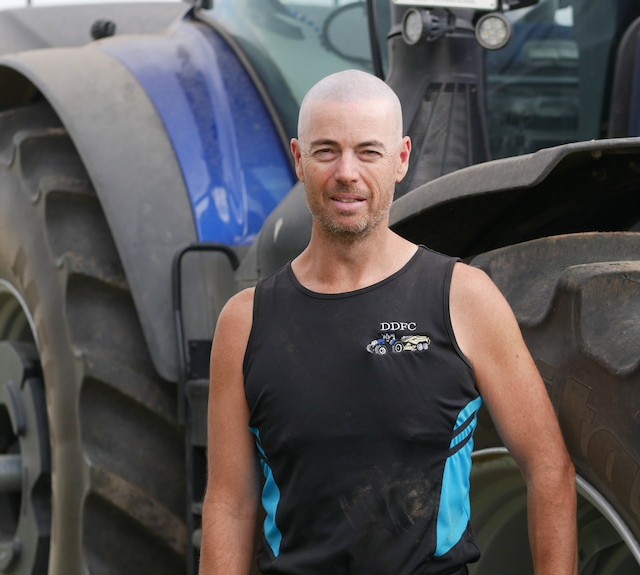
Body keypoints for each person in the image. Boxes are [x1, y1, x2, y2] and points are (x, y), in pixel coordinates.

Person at [200, 69, 577, 575]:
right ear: (298, 159)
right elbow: (230, 504)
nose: (347, 173)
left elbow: (549, 470)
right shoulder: (244, 322)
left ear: (401, 159)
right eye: (326, 150)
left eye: (368, 152)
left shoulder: (463, 299)